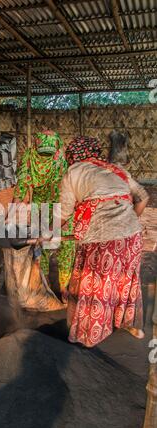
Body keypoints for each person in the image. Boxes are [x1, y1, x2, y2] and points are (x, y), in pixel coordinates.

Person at [59, 136, 149, 348]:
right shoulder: (115, 169)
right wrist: (127, 222)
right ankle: (131, 324)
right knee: (125, 281)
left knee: (96, 287)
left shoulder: (74, 172)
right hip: (131, 237)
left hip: (101, 239)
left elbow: (63, 213)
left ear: (73, 155)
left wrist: (48, 232)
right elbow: (143, 197)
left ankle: (90, 335)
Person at [13, 130, 75, 299]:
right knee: (66, 246)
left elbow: (22, 185)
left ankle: (45, 283)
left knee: (42, 243)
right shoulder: (60, 159)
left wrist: (14, 208)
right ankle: (64, 288)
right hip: (62, 208)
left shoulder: (30, 157)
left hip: (40, 208)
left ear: (36, 143)